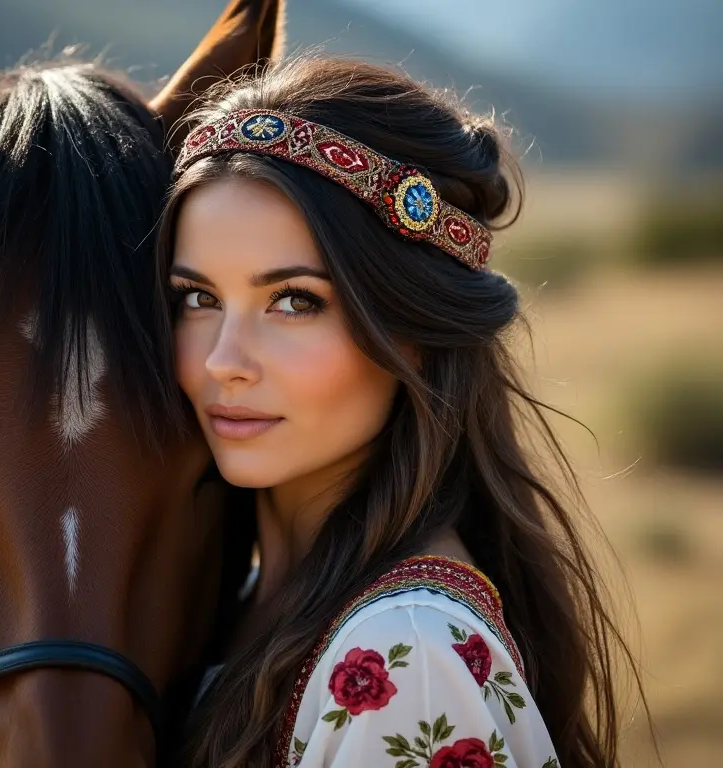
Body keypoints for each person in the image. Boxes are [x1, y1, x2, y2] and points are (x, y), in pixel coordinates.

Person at [155, 55, 648, 768]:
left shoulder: (408, 656)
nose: (221, 360)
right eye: (197, 299)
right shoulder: (245, 596)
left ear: (413, 332)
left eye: (295, 301)